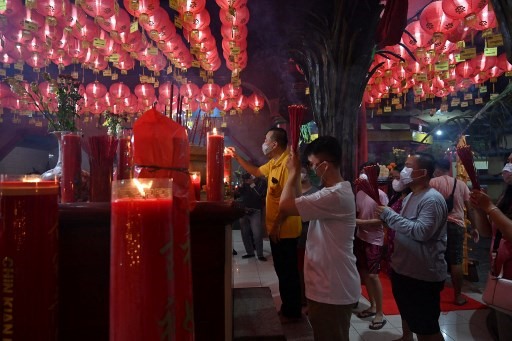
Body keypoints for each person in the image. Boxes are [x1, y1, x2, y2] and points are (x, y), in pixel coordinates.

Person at [277, 136, 360, 341]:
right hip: (328, 284)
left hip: (332, 287)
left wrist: (293, 171)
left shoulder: (334, 196)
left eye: (313, 164)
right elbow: (297, 200)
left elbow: (285, 206)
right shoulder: (331, 192)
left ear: (325, 165)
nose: (312, 169)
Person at [228, 127, 303, 322]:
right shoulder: (274, 162)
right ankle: (289, 307)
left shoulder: (288, 164)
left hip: (285, 228)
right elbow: (255, 171)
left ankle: (292, 312)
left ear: (275, 144)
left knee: (288, 273)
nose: (264, 142)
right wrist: (237, 157)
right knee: (281, 269)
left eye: (266, 139)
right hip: (276, 228)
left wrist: (276, 226)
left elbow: (288, 202)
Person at [376, 153, 448, 341]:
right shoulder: (411, 196)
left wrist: (390, 216)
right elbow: (405, 225)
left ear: (423, 172)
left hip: (422, 274)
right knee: (408, 313)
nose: (402, 171)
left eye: (408, 167)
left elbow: (422, 232)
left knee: (426, 327)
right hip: (405, 269)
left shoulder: (431, 199)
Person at [470, 154, 512, 341]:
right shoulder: (507, 194)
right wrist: (479, 208)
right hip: (502, 272)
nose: (508, 167)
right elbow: (489, 233)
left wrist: (489, 208)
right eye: (508, 162)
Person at [430, 158, 479, 306]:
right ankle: (458, 296)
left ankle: (433, 295)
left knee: (435, 258)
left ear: (437, 168)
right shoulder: (461, 184)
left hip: (437, 225)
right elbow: (469, 208)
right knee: (456, 261)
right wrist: (474, 227)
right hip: (456, 225)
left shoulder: (432, 183)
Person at [354, 163, 389, 330]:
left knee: (374, 276)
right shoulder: (359, 193)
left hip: (374, 240)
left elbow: (384, 221)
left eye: (366, 173)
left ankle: (380, 313)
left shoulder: (381, 196)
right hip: (361, 237)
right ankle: (373, 305)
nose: (362, 176)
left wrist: (359, 222)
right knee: (365, 274)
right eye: (361, 172)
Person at [297, 166, 319, 307]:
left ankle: (312, 299)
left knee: (312, 269)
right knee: (299, 270)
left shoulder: (316, 192)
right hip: (296, 237)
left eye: (302, 172)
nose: (300, 174)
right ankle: (302, 298)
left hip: (312, 237)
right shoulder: (294, 192)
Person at [234, 172, 267, 261]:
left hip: (255, 210)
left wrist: (252, 184)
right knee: (245, 233)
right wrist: (240, 184)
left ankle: (260, 254)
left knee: (257, 234)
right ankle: (250, 252)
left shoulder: (262, 182)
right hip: (244, 210)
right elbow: (238, 194)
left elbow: (259, 195)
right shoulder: (244, 183)